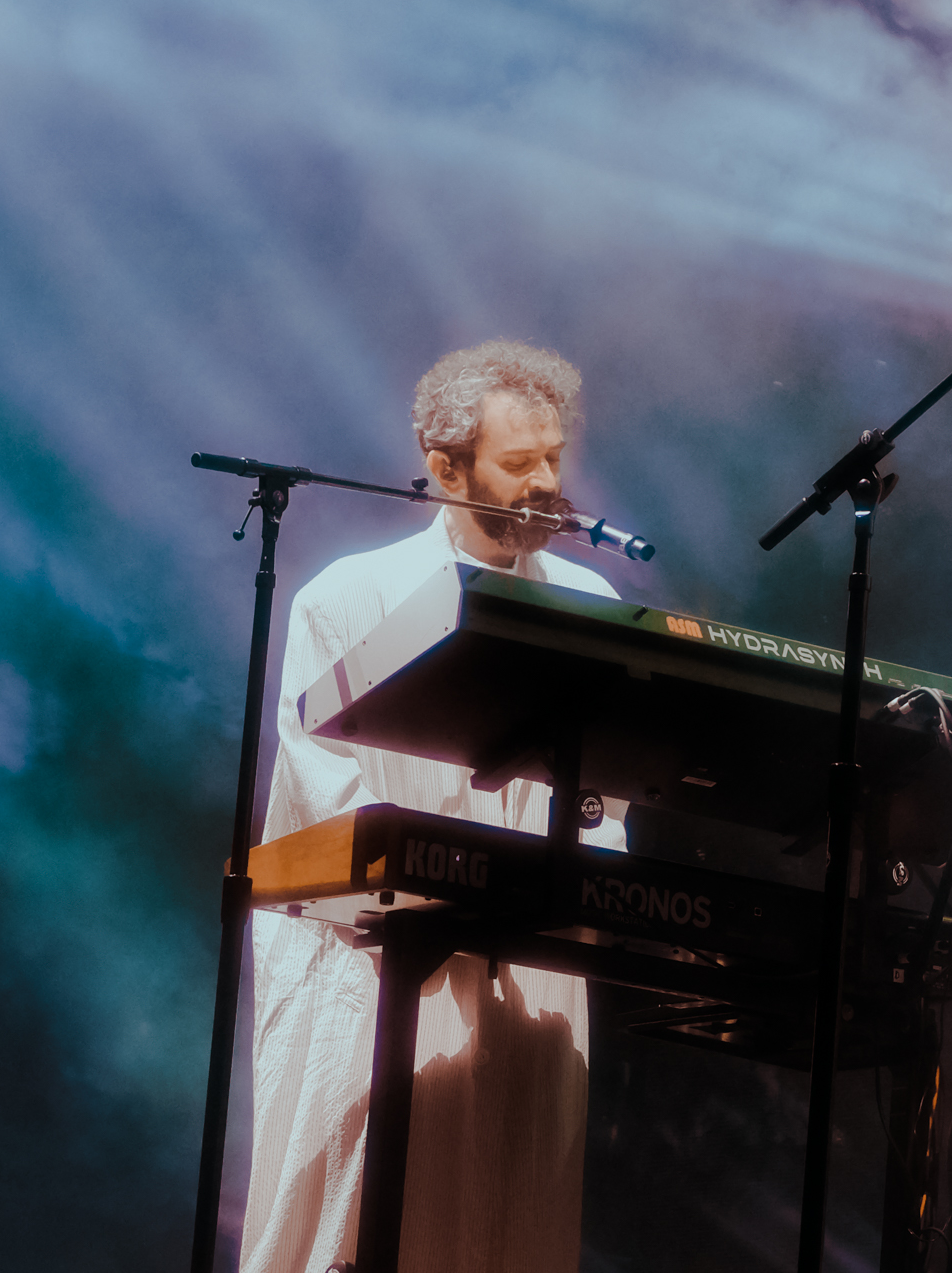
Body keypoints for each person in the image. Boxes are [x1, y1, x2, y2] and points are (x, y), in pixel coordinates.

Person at [242, 339, 624, 1273]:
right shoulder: (348, 599)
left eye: (554, 458)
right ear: (445, 467)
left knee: (506, 1221)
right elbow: (328, 788)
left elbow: (606, 803)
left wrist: (569, 892)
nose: (547, 483)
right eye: (519, 462)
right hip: (377, 966)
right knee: (351, 1219)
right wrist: (451, 890)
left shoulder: (592, 603)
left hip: (531, 972)